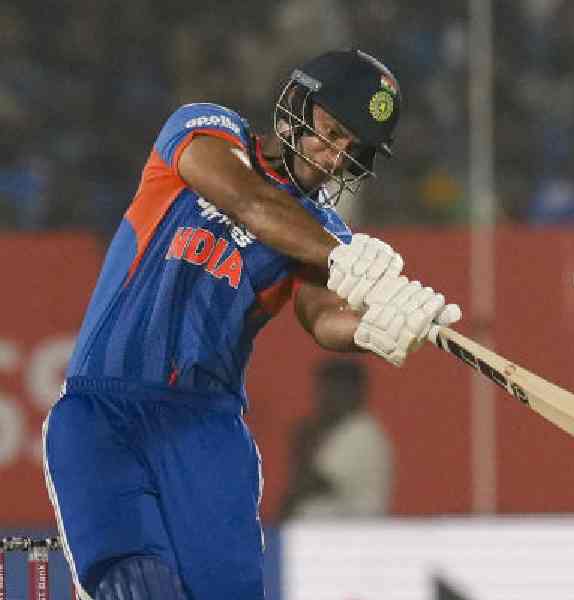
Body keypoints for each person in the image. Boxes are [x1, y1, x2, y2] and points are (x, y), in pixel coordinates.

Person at [41, 48, 461, 600]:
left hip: (207, 429)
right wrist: (343, 258)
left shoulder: (321, 231)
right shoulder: (204, 129)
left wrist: (380, 326)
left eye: (352, 150)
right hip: (104, 411)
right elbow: (249, 202)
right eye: (331, 132)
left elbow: (322, 317)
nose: (335, 158)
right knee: (136, 586)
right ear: (295, 106)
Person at [279, 358, 392, 520]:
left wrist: (304, 445)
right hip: (330, 532)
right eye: (323, 390)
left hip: (349, 534)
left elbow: (318, 484)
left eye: (335, 389)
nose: (327, 397)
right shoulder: (339, 430)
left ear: (356, 392)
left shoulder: (360, 431)